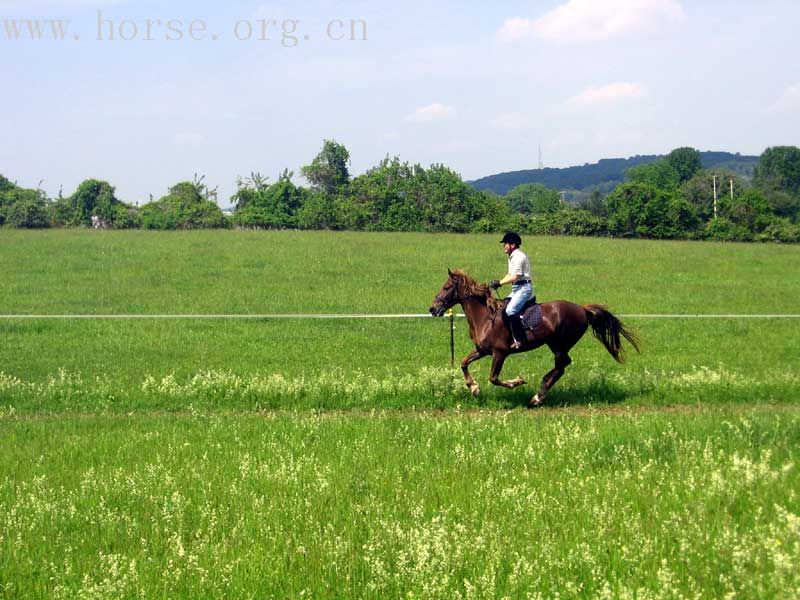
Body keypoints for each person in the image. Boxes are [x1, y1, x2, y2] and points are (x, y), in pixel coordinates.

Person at [490, 232, 534, 349]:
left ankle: (520, 339)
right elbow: (509, 274)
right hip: (517, 288)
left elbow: (515, 277)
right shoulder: (512, 256)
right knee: (503, 307)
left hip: (524, 288)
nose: (504, 246)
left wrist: (500, 283)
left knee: (510, 311)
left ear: (513, 245)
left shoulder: (519, 257)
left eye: (505, 244)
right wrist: (499, 282)